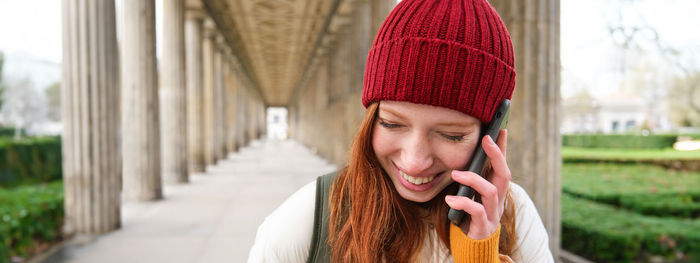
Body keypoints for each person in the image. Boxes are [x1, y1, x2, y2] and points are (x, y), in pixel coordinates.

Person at [248, 0, 554, 262]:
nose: (414, 162)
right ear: (371, 118)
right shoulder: (307, 220)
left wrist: (480, 253)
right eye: (392, 124)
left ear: (492, 134)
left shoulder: (517, 214)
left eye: (451, 135)